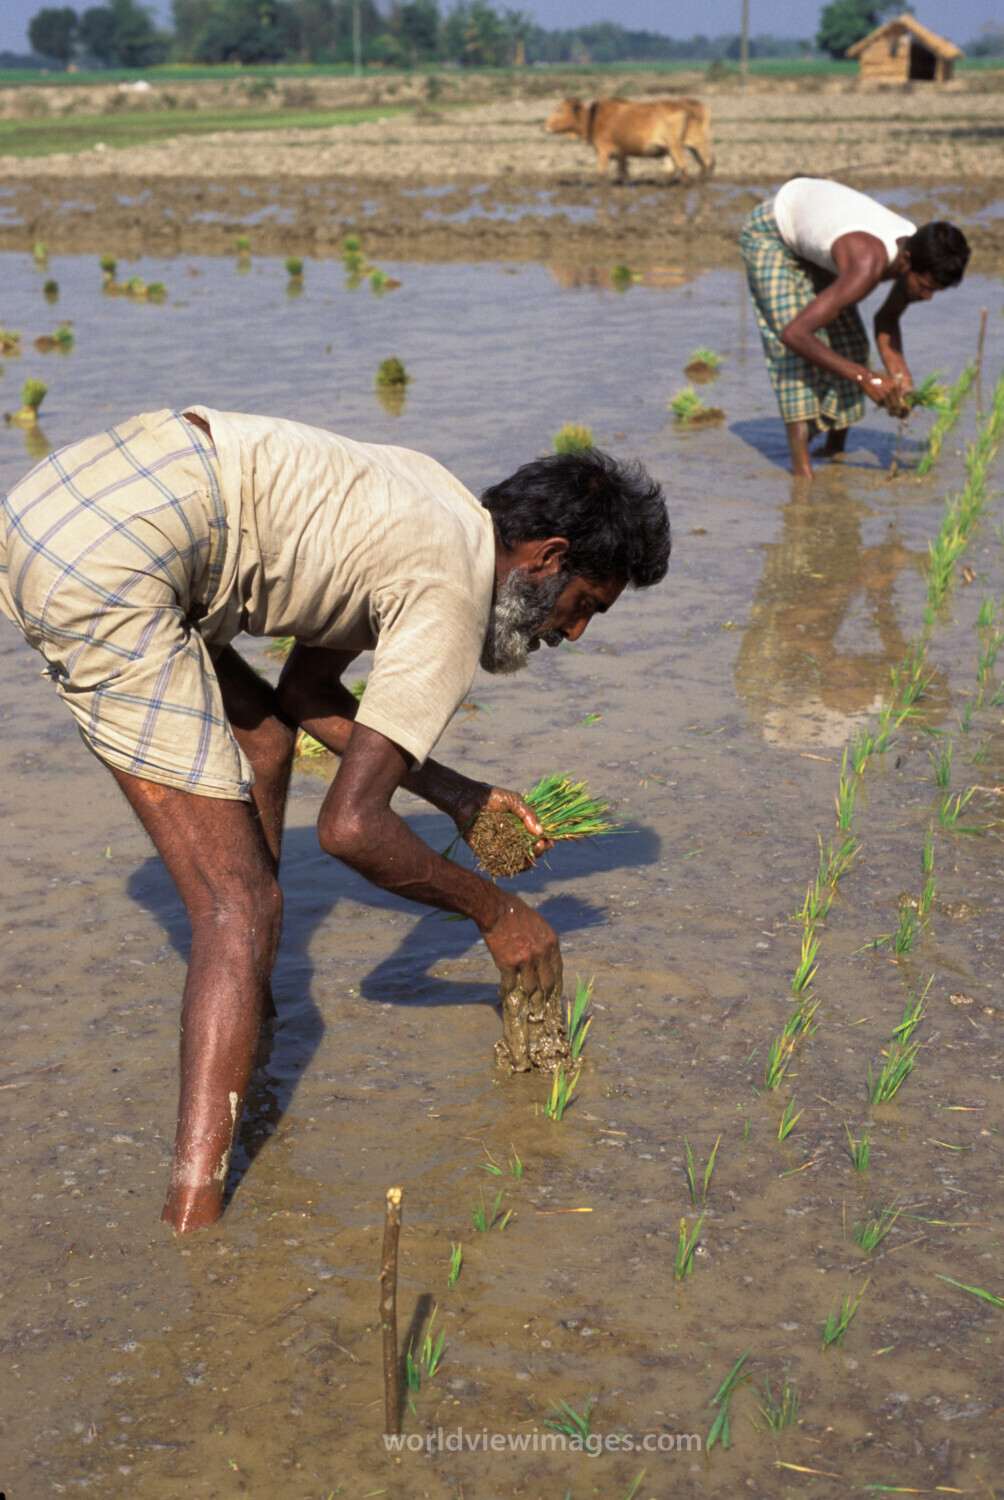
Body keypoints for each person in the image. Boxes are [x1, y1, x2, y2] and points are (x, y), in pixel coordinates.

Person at [0, 407, 670, 1234]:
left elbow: (304, 697)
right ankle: (193, 1223)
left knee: (263, 742)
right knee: (237, 908)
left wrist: (457, 795)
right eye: (582, 605)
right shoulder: (453, 598)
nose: (570, 632)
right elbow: (350, 828)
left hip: (76, 494)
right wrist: (499, 914)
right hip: (111, 558)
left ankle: (255, 1014)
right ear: (547, 559)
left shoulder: (438, 504)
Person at [740, 176, 970, 478]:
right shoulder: (868, 264)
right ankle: (802, 478)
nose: (926, 297)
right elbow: (794, 334)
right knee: (797, 357)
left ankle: (833, 451)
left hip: (819, 238)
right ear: (907, 261)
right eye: (925, 287)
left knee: (851, 345)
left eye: (935, 292)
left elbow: (886, 319)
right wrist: (865, 377)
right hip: (774, 234)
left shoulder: (914, 251)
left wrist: (902, 380)